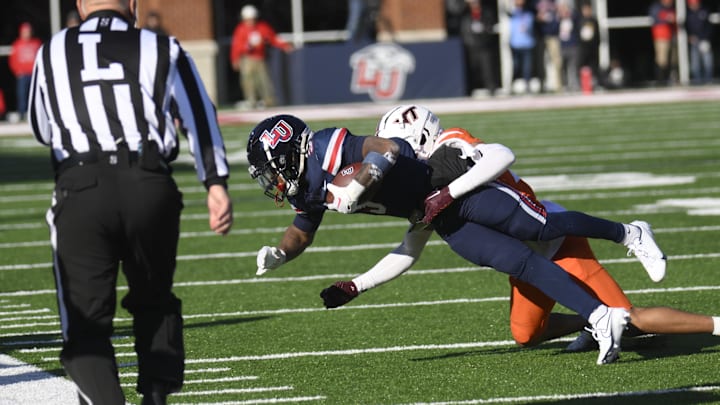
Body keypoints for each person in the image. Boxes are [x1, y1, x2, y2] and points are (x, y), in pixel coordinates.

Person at [246, 112, 669, 365]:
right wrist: (281, 254)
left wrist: (360, 182)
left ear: (286, 153)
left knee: (537, 227)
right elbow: (302, 232)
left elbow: (388, 149)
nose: (271, 182)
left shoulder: (327, 146)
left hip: (445, 183)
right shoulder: (307, 188)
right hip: (432, 215)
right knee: (515, 261)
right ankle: (599, 318)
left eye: (269, 171)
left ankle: (629, 232)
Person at [27, 0, 233, 404]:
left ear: (81, 5)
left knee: (85, 325)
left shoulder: (52, 49)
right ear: (133, 5)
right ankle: (156, 397)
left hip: (82, 185)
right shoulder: (163, 46)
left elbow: (41, 124)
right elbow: (200, 115)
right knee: (155, 300)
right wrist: (216, 183)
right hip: (149, 184)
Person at [230, 4, 293, 109]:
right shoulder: (240, 29)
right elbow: (236, 46)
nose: (250, 21)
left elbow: (273, 38)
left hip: (260, 58)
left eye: (252, 19)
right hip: (247, 59)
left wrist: (285, 46)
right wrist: (235, 59)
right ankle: (251, 101)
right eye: (248, 19)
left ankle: (269, 101)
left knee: (264, 81)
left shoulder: (262, 27)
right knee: (247, 81)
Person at [459, 0, 498, 96]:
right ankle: (471, 89)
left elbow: (492, 26)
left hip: (484, 45)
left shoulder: (486, 13)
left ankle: (491, 89)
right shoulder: (466, 14)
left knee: (488, 68)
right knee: (473, 69)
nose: (475, 4)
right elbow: (455, 11)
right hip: (472, 45)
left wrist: (484, 29)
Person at [8, 22, 42, 121]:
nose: (27, 33)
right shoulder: (17, 44)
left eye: (28, 31)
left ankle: (34, 113)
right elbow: (12, 60)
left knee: (35, 95)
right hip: (22, 75)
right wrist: (17, 71)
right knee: (22, 95)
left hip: (34, 74)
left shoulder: (36, 43)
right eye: (25, 31)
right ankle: (22, 113)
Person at [508, 0, 536, 93]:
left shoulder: (528, 14)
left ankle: (527, 86)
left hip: (527, 44)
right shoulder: (513, 14)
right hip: (515, 45)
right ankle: (511, 86)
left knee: (527, 67)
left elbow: (529, 27)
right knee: (516, 67)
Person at [535, 0, 562, 93]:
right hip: (542, 37)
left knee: (556, 61)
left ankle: (558, 85)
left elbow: (558, 17)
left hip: (553, 36)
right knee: (541, 62)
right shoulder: (536, 3)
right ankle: (543, 84)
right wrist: (538, 18)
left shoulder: (554, 3)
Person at [649, 0, 678, 85]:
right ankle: (660, 81)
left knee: (674, 59)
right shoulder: (656, 7)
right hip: (661, 36)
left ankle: (671, 79)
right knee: (661, 59)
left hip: (672, 36)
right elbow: (655, 18)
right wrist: (667, 18)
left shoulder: (672, 8)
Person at [685, 0, 714, 84]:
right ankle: (697, 80)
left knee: (707, 61)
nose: (693, 5)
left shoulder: (704, 11)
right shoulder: (688, 14)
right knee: (695, 62)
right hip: (694, 41)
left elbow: (709, 26)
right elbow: (686, 26)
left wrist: (706, 38)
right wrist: (690, 36)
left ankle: (708, 79)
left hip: (704, 40)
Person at [557, 1, 580, 92]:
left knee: (573, 67)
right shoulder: (558, 19)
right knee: (563, 67)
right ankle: (564, 85)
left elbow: (578, 19)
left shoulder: (573, 17)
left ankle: (574, 85)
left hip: (572, 46)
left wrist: (570, 14)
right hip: (562, 46)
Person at [578, 2, 600, 89]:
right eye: (585, 10)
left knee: (594, 66)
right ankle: (584, 84)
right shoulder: (580, 21)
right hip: (583, 49)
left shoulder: (594, 20)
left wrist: (597, 45)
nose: (586, 11)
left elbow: (597, 35)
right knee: (583, 67)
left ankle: (594, 83)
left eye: (588, 9)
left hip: (592, 48)